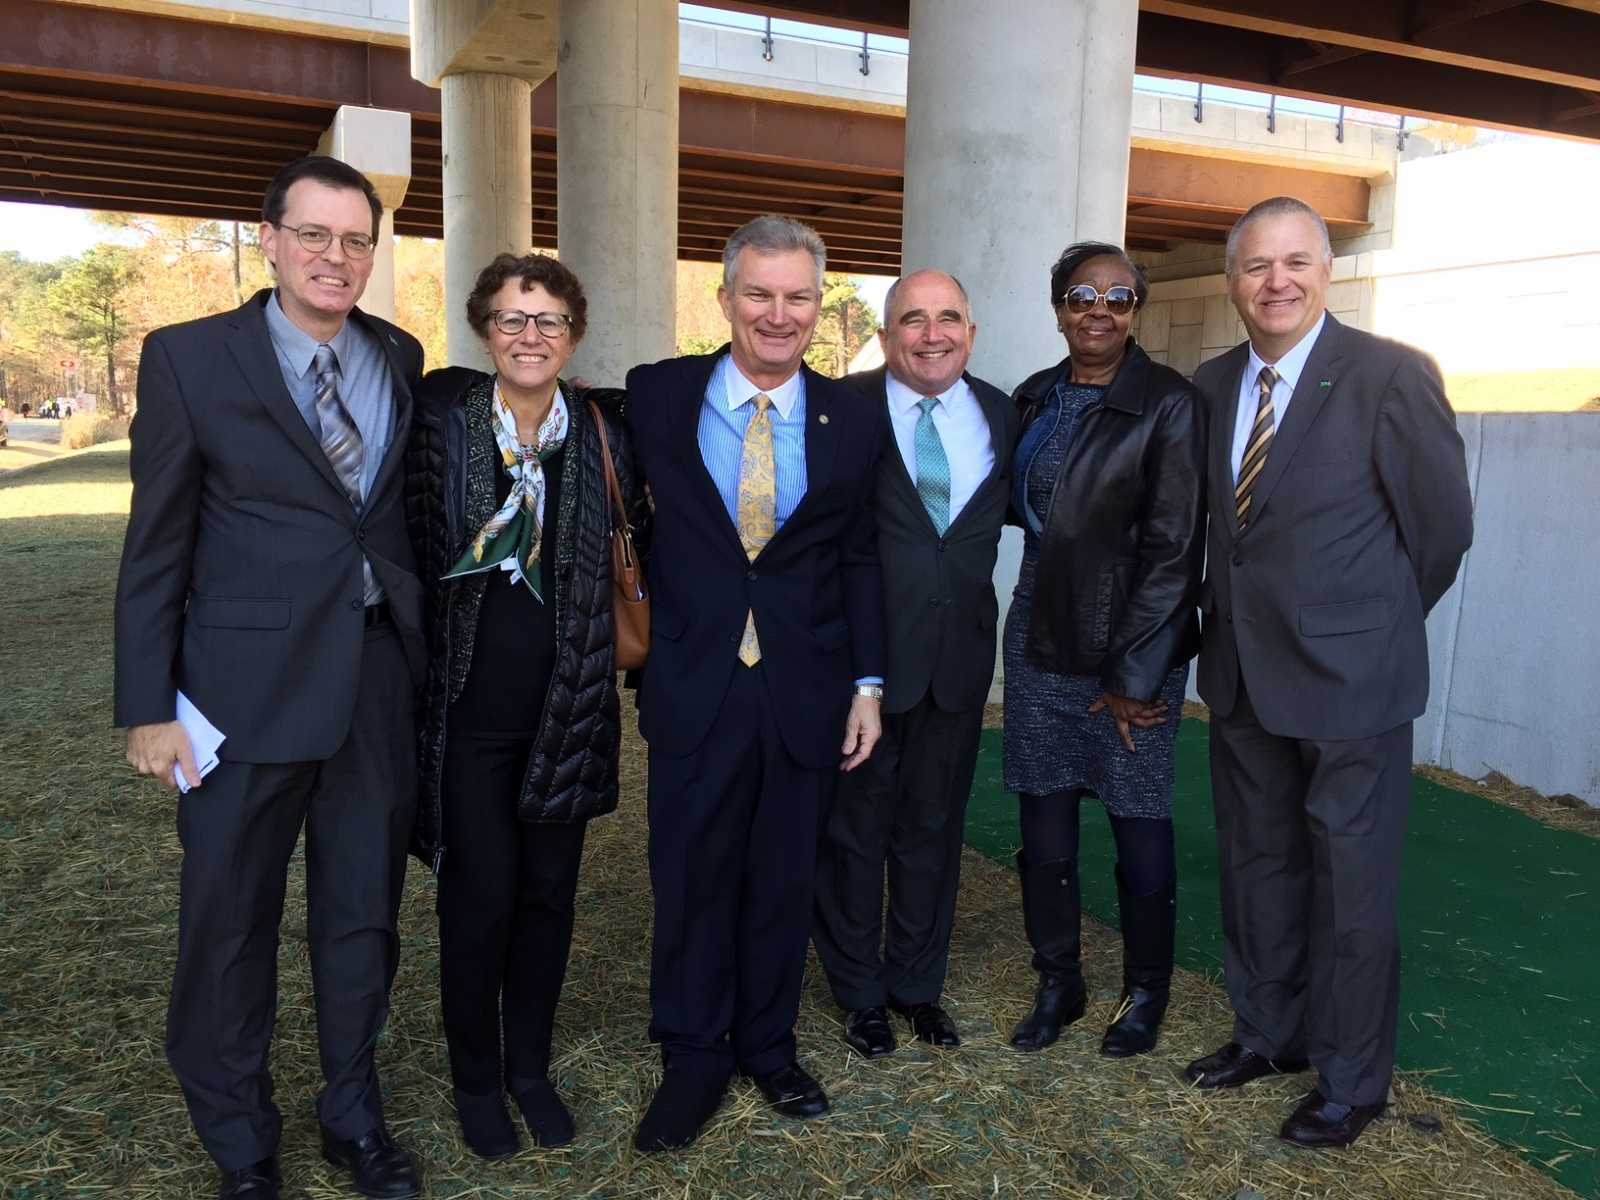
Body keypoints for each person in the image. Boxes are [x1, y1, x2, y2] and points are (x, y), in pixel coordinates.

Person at [114, 155, 427, 1200]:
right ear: (269, 239)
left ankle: (352, 1112)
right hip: (238, 698)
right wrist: (148, 706)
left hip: (373, 689)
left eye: (354, 240)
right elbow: (156, 544)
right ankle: (241, 1138)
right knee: (227, 922)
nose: (334, 257)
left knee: (361, 918)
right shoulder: (191, 359)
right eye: (313, 236)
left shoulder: (401, 354)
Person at [1183, 196, 1473, 1149]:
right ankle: (1269, 1035)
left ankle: (1352, 1082)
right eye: (1259, 266)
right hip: (1241, 676)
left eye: (1298, 262)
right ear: (1234, 281)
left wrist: (1370, 628)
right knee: (1257, 866)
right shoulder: (1215, 382)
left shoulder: (1390, 376)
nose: (1278, 283)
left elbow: (1439, 533)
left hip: (1355, 685)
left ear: (1327, 272)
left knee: (1351, 887)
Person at [623, 215, 887, 1152]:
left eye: (799, 296)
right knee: (692, 875)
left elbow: (860, 555)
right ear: (725, 297)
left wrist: (866, 682)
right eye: (760, 294)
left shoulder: (856, 414)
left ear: (821, 304)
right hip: (695, 681)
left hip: (806, 687)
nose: (779, 314)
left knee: (782, 876)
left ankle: (769, 1046)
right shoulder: (655, 395)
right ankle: (694, 1055)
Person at [403, 253, 646, 1159]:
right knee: (479, 900)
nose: (529, 336)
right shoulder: (443, 422)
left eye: (546, 321)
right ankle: (475, 1080)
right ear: (484, 330)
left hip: (569, 707)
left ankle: (529, 1070)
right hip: (468, 713)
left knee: (548, 899)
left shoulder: (604, 433)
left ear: (572, 333)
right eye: (510, 319)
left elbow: (642, 539)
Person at [1003, 241, 1206, 1059]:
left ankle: (1145, 992)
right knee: (1044, 816)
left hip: (1132, 644)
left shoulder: (1169, 403)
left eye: (1118, 298)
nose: (1099, 310)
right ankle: (1060, 980)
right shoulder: (1034, 397)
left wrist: (1133, 675)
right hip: (1038, 630)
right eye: (1083, 295)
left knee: (1137, 818)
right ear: (1058, 307)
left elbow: (1173, 550)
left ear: (1136, 311)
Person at [812, 269, 1017, 1057]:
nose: (933, 335)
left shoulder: (1000, 411)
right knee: (855, 835)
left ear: (971, 330)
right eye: (914, 320)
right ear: (887, 331)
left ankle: (916, 987)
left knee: (933, 832)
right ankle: (860, 993)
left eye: (949, 318)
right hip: (861, 668)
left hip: (958, 663)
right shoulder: (837, 406)